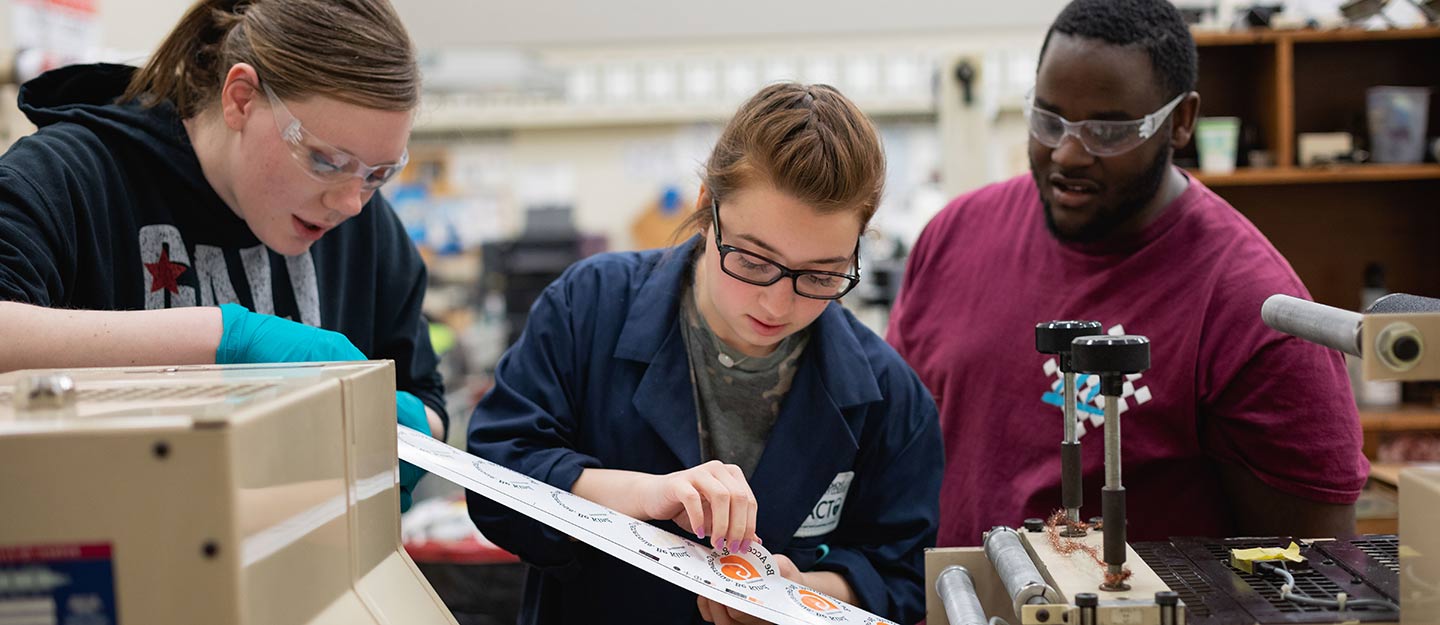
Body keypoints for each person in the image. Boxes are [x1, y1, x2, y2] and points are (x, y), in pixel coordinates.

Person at [887, 0, 1366, 547]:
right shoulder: (954, 235)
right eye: (1049, 120)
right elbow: (892, 446)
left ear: (1181, 122)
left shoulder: (1249, 307)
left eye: (1108, 131)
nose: (1068, 153)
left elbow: (1313, 571)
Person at [466, 83, 942, 625]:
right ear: (705, 210)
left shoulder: (890, 396)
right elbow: (497, 479)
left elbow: (902, 572)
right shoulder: (590, 307)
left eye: (821, 275)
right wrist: (644, 496)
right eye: (754, 260)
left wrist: (802, 592)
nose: (777, 301)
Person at [0, 0, 445, 509]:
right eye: (326, 160)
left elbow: (425, 394)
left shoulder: (368, 225)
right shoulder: (72, 177)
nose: (349, 202)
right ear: (240, 100)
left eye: (378, 174)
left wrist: (407, 426)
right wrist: (224, 340)